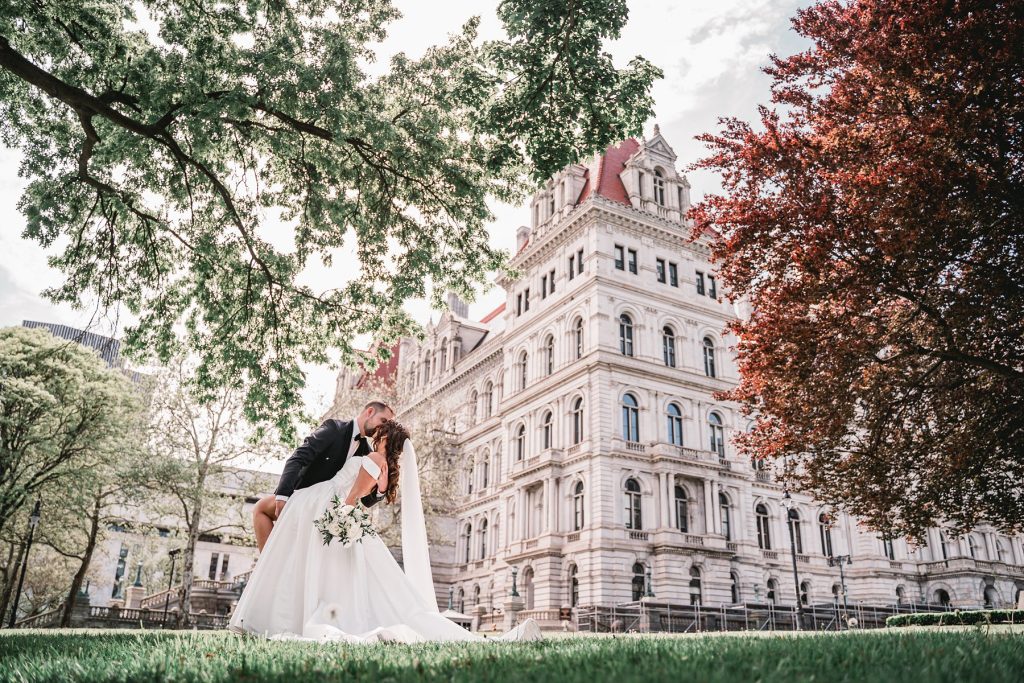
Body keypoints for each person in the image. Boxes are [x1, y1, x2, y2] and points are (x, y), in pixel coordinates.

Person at [229, 419, 541, 643]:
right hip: (350, 524)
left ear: (383, 437)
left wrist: (340, 515)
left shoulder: (374, 458)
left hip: (334, 511)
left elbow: (352, 497)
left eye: (377, 432)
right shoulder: (385, 468)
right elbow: (369, 497)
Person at [252, 402, 394, 551]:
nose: (383, 428)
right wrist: (282, 497)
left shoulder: (368, 453)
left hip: (330, 513)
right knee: (262, 509)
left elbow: (363, 500)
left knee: (260, 508)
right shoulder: (334, 428)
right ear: (369, 412)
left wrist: (380, 492)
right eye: (383, 421)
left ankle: (268, 568)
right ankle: (268, 565)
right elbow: (298, 458)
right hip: (306, 497)